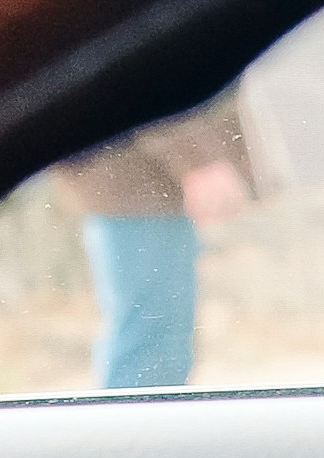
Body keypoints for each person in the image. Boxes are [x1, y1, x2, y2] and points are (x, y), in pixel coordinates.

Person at [60, 96, 258, 388]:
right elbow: (147, 81)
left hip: (143, 185)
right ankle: (130, 432)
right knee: (151, 345)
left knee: (159, 342)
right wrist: (197, 159)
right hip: (133, 187)